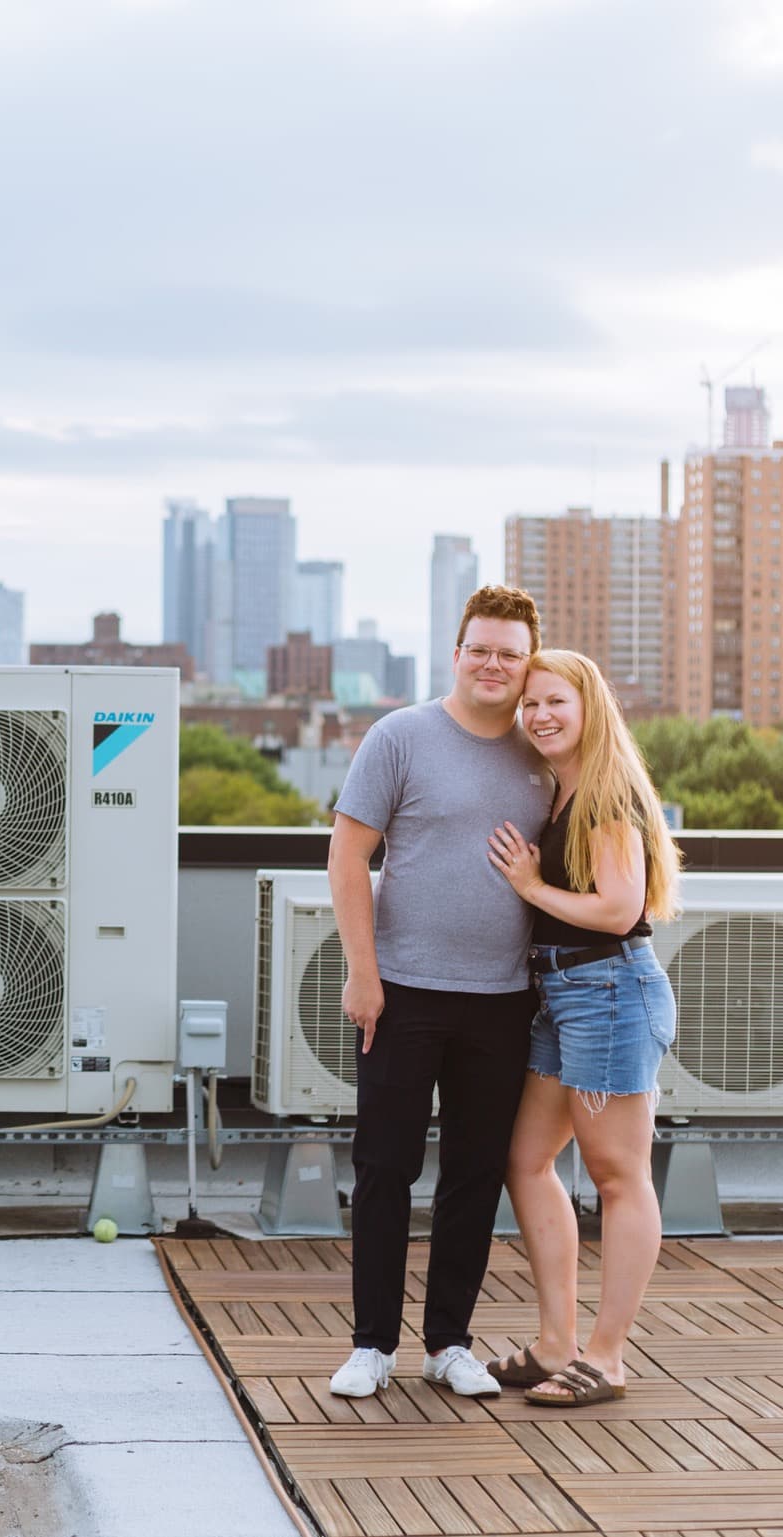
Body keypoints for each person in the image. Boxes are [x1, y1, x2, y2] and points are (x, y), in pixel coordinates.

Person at [325, 585, 553, 1400]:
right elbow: (347, 856)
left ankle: (448, 1341)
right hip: (402, 991)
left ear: (528, 663)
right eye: (479, 648)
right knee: (383, 1166)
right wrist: (362, 970)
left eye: (510, 652)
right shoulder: (400, 737)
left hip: (502, 997)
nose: (493, 664)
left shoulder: (545, 754)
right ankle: (372, 1344)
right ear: (455, 653)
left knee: (473, 1172)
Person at [484, 649, 681, 1407]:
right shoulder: (560, 791)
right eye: (528, 704)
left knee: (616, 1176)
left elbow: (617, 907)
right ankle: (554, 1342)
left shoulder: (602, 793)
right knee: (526, 1159)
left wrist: (530, 885)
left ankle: (605, 1357)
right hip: (562, 994)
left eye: (553, 701)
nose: (538, 715)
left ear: (588, 705)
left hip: (608, 990)